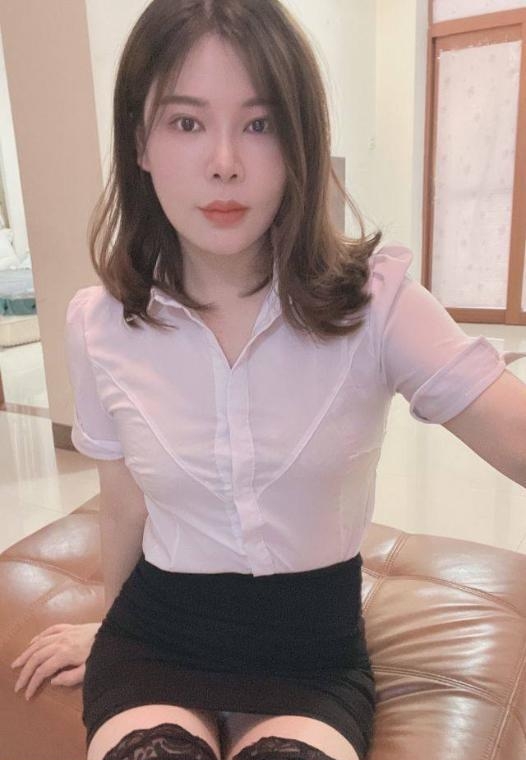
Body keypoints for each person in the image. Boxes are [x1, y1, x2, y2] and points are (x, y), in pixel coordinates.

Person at [10, 1, 526, 759]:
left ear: (300, 142)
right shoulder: (99, 323)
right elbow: (123, 507)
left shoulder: (377, 305)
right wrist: (111, 625)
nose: (225, 161)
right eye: (186, 122)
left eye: (260, 124)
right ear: (140, 142)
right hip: (157, 636)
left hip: (311, 655)